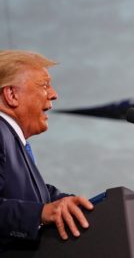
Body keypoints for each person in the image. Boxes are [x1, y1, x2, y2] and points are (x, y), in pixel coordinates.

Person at [0, 50, 94, 250]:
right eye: (44, 85)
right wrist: (40, 213)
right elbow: (41, 207)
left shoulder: (14, 143)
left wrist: (78, 205)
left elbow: (42, 195)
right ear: (12, 95)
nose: (54, 94)